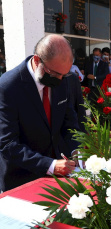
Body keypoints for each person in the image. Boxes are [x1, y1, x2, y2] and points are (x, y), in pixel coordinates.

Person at [0, 34, 81, 191]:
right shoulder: (8, 87)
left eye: (64, 74)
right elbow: (7, 144)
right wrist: (49, 165)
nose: (60, 80)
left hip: (57, 175)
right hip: (20, 177)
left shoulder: (63, 79)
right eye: (55, 74)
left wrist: (76, 148)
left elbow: (69, 121)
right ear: (37, 61)